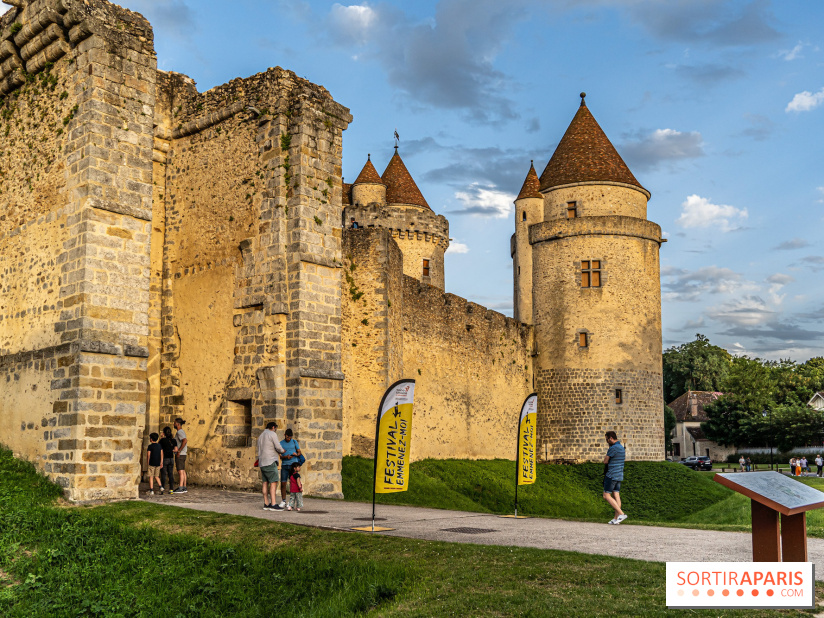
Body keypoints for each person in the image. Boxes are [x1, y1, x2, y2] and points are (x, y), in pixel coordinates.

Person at [257, 421, 285, 511]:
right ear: (273, 427)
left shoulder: (261, 435)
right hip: (270, 461)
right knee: (274, 482)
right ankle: (273, 504)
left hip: (262, 462)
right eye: (276, 428)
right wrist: (282, 451)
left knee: (265, 482)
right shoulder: (272, 434)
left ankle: (266, 503)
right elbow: (278, 446)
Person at [603, 431, 627, 525]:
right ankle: (616, 518)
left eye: (607, 439)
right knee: (616, 495)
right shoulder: (621, 447)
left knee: (606, 496)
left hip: (612, 474)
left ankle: (621, 514)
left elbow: (605, 461)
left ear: (611, 438)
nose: (607, 441)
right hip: (619, 475)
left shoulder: (613, 448)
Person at [278, 428, 302, 508]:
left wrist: (296, 454)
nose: (289, 439)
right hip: (285, 465)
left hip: (293, 466)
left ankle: (291, 502)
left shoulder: (294, 442)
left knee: (293, 484)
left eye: (290, 437)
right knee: (283, 483)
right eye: (288, 437)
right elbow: (280, 456)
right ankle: (283, 500)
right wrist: (286, 457)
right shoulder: (281, 443)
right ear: (285, 435)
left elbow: (299, 452)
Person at [158, 426, 177, 493]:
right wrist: (171, 450)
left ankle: (162, 488)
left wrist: (161, 437)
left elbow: (158, 447)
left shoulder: (162, 440)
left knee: (163, 474)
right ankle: (171, 489)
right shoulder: (174, 440)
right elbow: (176, 450)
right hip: (171, 459)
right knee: (170, 474)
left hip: (164, 458)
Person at [173, 418, 188, 493]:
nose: (174, 424)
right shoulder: (181, 432)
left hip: (181, 454)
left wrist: (179, 451)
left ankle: (181, 487)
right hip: (183, 453)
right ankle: (184, 487)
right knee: (183, 471)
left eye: (174, 423)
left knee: (180, 471)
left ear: (178, 424)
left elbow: (184, 441)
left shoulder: (179, 432)